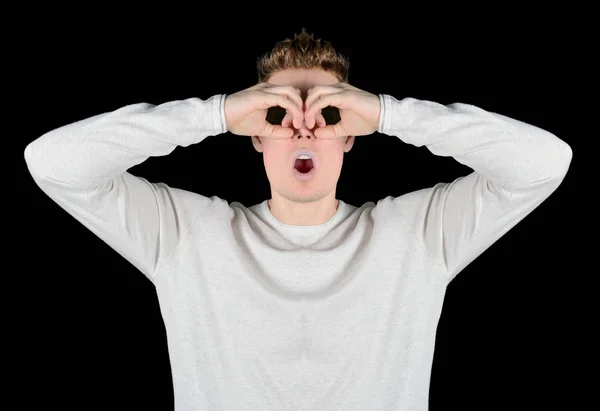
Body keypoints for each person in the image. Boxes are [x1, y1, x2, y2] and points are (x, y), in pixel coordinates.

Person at [24, 29, 572, 410]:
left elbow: (544, 163)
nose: (305, 129)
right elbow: (53, 163)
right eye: (278, 114)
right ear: (254, 132)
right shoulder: (185, 235)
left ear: (353, 132)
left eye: (329, 113)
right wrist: (214, 112)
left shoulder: (420, 235)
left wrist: (390, 110)